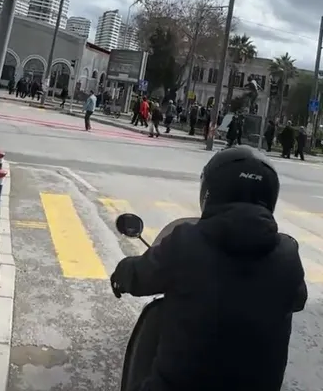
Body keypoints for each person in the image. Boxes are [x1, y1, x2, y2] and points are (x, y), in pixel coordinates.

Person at [109, 146, 307, 391]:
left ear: (210, 190)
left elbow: (140, 277)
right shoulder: (288, 253)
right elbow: (298, 300)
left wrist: (122, 273)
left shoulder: (185, 241)